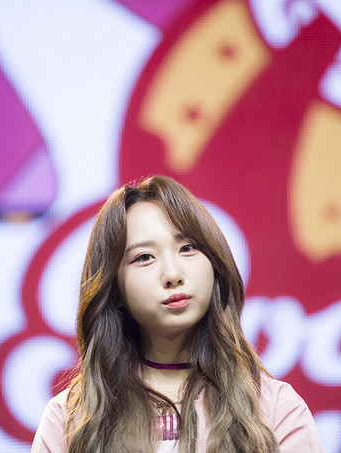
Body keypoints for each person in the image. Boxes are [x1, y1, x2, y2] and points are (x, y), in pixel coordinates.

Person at [31, 175, 323, 452]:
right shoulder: (68, 420)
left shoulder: (276, 411)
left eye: (188, 248)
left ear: (215, 262)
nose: (172, 274)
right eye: (144, 257)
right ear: (114, 289)